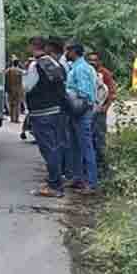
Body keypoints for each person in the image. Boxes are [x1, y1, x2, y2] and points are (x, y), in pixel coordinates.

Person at [23, 37, 66, 198]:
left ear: (32, 47)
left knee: (48, 149)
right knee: (55, 147)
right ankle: (55, 181)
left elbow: (26, 87)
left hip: (41, 113)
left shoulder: (36, 65)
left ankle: (55, 186)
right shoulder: (56, 63)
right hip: (56, 111)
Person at [65, 43, 98, 194]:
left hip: (81, 111)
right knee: (75, 146)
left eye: (68, 51)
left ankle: (91, 183)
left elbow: (84, 93)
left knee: (86, 146)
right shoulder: (78, 67)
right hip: (76, 111)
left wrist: (72, 98)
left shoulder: (81, 69)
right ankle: (77, 178)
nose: (66, 53)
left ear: (73, 52)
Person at [87, 51, 116, 179]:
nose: (92, 62)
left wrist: (105, 107)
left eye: (95, 60)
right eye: (90, 60)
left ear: (99, 62)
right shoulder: (86, 72)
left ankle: (102, 168)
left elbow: (112, 92)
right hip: (87, 111)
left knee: (99, 139)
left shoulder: (105, 74)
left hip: (99, 112)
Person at [46, 38, 72, 181]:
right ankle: (63, 171)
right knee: (62, 140)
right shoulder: (62, 64)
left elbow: (62, 88)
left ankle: (62, 172)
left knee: (61, 140)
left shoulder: (59, 65)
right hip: (61, 107)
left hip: (61, 107)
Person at [4, 56, 25, 123]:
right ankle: (16, 118)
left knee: (11, 104)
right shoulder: (20, 71)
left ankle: (12, 118)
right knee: (17, 104)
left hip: (10, 89)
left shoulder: (8, 70)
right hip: (18, 89)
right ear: (18, 63)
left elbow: (5, 78)